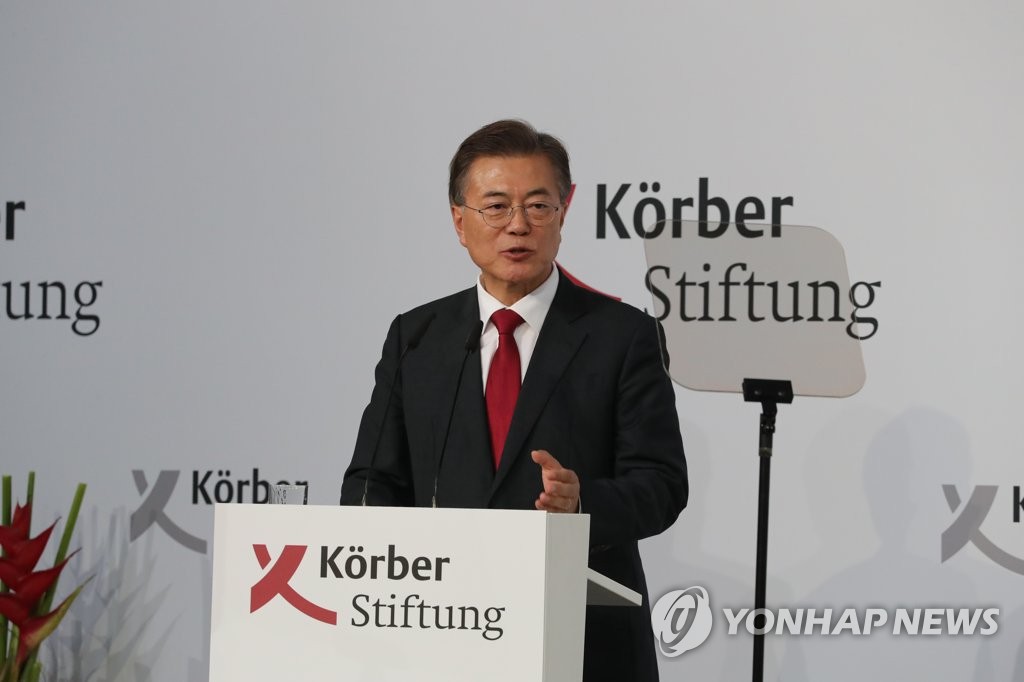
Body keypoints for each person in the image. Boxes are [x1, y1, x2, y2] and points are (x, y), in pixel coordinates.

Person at [340, 119, 687, 681]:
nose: (518, 225)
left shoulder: (623, 336)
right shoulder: (417, 337)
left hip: (583, 644)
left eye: (538, 206)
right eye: (496, 207)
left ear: (564, 213)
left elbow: (662, 485)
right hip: (441, 635)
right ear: (460, 221)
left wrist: (581, 503)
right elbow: (371, 482)